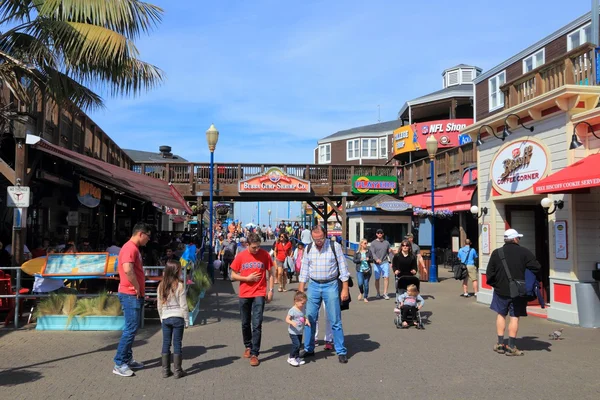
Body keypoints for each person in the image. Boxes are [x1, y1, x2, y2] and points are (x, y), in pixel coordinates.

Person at [298, 225, 350, 364]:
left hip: (331, 285)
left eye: (320, 238)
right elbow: (304, 270)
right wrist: (301, 289)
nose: (318, 241)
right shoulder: (309, 248)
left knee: (335, 320)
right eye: (315, 239)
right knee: (310, 318)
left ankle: (341, 351)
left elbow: (344, 268)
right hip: (313, 285)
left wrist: (345, 289)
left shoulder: (334, 246)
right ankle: (309, 348)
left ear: (325, 235)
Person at [486, 229, 541, 356]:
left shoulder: (497, 253)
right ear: (515, 239)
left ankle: (500, 343)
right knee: (514, 317)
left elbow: (490, 273)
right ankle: (511, 346)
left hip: (501, 290)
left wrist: (496, 284)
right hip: (519, 291)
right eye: (518, 238)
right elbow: (537, 267)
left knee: (501, 314)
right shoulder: (524, 252)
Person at [112, 222, 152, 377]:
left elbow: (123, 268)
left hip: (132, 294)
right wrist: (136, 286)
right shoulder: (130, 248)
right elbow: (127, 269)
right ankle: (120, 362)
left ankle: (127, 359)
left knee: (132, 328)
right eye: (148, 236)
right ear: (141, 234)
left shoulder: (132, 248)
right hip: (130, 294)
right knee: (130, 329)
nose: (148, 240)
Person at [229, 232, 275, 367]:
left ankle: (255, 353)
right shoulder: (241, 256)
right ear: (247, 245)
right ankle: (248, 346)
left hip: (259, 293)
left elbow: (271, 273)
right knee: (245, 322)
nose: (257, 250)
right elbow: (232, 275)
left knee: (257, 323)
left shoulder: (264, 255)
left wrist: (271, 290)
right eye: (254, 247)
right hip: (244, 293)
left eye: (258, 247)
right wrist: (246, 279)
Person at [157, 260, 189, 379]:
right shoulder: (179, 285)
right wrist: (186, 320)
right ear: (176, 271)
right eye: (180, 269)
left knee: (166, 343)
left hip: (166, 318)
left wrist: (162, 317)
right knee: (177, 344)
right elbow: (183, 305)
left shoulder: (161, 285)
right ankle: (177, 370)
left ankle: (165, 370)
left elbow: (159, 305)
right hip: (178, 318)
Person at [285, 291, 310, 367]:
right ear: (296, 301)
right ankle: (291, 357)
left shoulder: (302, 309)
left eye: (304, 303)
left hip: (299, 331)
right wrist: (292, 323)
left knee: (299, 345)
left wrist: (307, 320)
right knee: (296, 344)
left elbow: (304, 316)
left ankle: (297, 357)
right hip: (293, 332)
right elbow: (287, 319)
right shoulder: (292, 310)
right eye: (302, 303)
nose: (303, 305)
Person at [370, 229, 392, 299]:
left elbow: (389, 252)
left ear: (383, 234)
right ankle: (378, 293)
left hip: (385, 262)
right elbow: (372, 253)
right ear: (376, 234)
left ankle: (385, 293)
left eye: (381, 233)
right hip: (376, 263)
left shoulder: (386, 243)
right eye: (378, 233)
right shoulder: (373, 243)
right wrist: (376, 259)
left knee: (386, 277)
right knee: (377, 278)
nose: (379, 234)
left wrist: (391, 261)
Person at [353, 239, 373, 303]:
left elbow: (372, 259)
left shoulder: (368, 251)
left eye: (367, 243)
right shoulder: (357, 252)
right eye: (365, 243)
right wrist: (360, 260)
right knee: (360, 283)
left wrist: (369, 259)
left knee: (366, 285)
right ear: (361, 244)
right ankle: (361, 292)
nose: (366, 244)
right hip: (360, 270)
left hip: (367, 270)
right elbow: (354, 260)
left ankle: (365, 297)